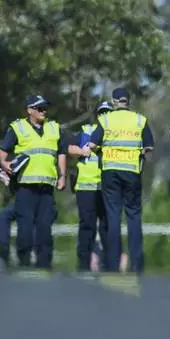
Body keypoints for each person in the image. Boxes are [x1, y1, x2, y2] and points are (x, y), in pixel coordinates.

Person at [87, 88, 154, 273]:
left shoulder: (106, 120)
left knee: (113, 217)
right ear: (128, 101)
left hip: (110, 173)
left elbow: (92, 145)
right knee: (133, 217)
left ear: (114, 102)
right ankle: (136, 263)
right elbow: (149, 147)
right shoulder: (140, 120)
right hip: (132, 172)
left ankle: (112, 263)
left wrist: (102, 152)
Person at [0, 95, 67, 269]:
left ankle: (45, 264)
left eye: (45, 108)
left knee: (45, 229)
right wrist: (4, 164)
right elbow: (3, 151)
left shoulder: (54, 128)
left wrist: (63, 175)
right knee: (26, 229)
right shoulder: (17, 128)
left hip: (46, 189)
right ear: (30, 110)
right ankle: (24, 262)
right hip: (25, 188)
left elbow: (61, 153)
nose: (44, 111)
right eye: (40, 108)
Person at [67, 101, 112, 272]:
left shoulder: (115, 134)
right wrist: (82, 151)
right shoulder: (87, 131)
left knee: (107, 226)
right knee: (87, 226)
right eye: (102, 113)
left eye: (108, 112)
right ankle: (83, 265)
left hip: (107, 188)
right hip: (86, 188)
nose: (104, 116)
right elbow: (69, 148)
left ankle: (109, 264)